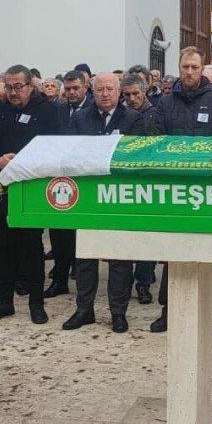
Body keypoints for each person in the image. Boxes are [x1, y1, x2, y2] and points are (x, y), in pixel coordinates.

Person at [148, 46, 212, 335]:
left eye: (194, 67)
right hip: (176, 190)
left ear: (202, 69)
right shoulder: (164, 103)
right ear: (179, 66)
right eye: (185, 67)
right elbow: (156, 143)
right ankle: (169, 310)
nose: (189, 72)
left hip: (210, 190)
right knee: (174, 251)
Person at [0, 64, 65, 324]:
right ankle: (4, 302)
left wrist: (27, 162)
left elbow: (56, 148)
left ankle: (36, 303)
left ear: (30, 86)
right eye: (9, 87)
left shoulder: (49, 112)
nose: (13, 92)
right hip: (3, 189)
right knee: (1, 247)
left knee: (31, 248)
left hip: (32, 189)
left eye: (18, 87)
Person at [63, 73, 147, 333]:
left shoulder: (134, 119)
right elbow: (71, 153)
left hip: (118, 196)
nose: (105, 94)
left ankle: (118, 312)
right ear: (92, 91)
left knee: (119, 258)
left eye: (110, 89)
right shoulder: (79, 118)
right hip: (88, 197)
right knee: (86, 256)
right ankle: (84, 309)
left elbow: (139, 155)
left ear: (119, 91)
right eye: (100, 89)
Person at [43, 70, 88, 297]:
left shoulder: (92, 111)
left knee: (81, 236)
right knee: (59, 233)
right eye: (68, 89)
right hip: (59, 177)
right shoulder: (56, 110)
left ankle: (82, 283)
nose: (71, 93)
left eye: (75, 89)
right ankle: (59, 279)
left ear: (85, 88)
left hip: (84, 179)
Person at [119, 72, 157, 302]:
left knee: (146, 235)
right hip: (126, 178)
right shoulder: (122, 115)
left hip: (147, 177)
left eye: (136, 93)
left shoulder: (155, 112)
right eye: (127, 95)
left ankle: (144, 282)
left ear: (144, 92)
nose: (132, 98)